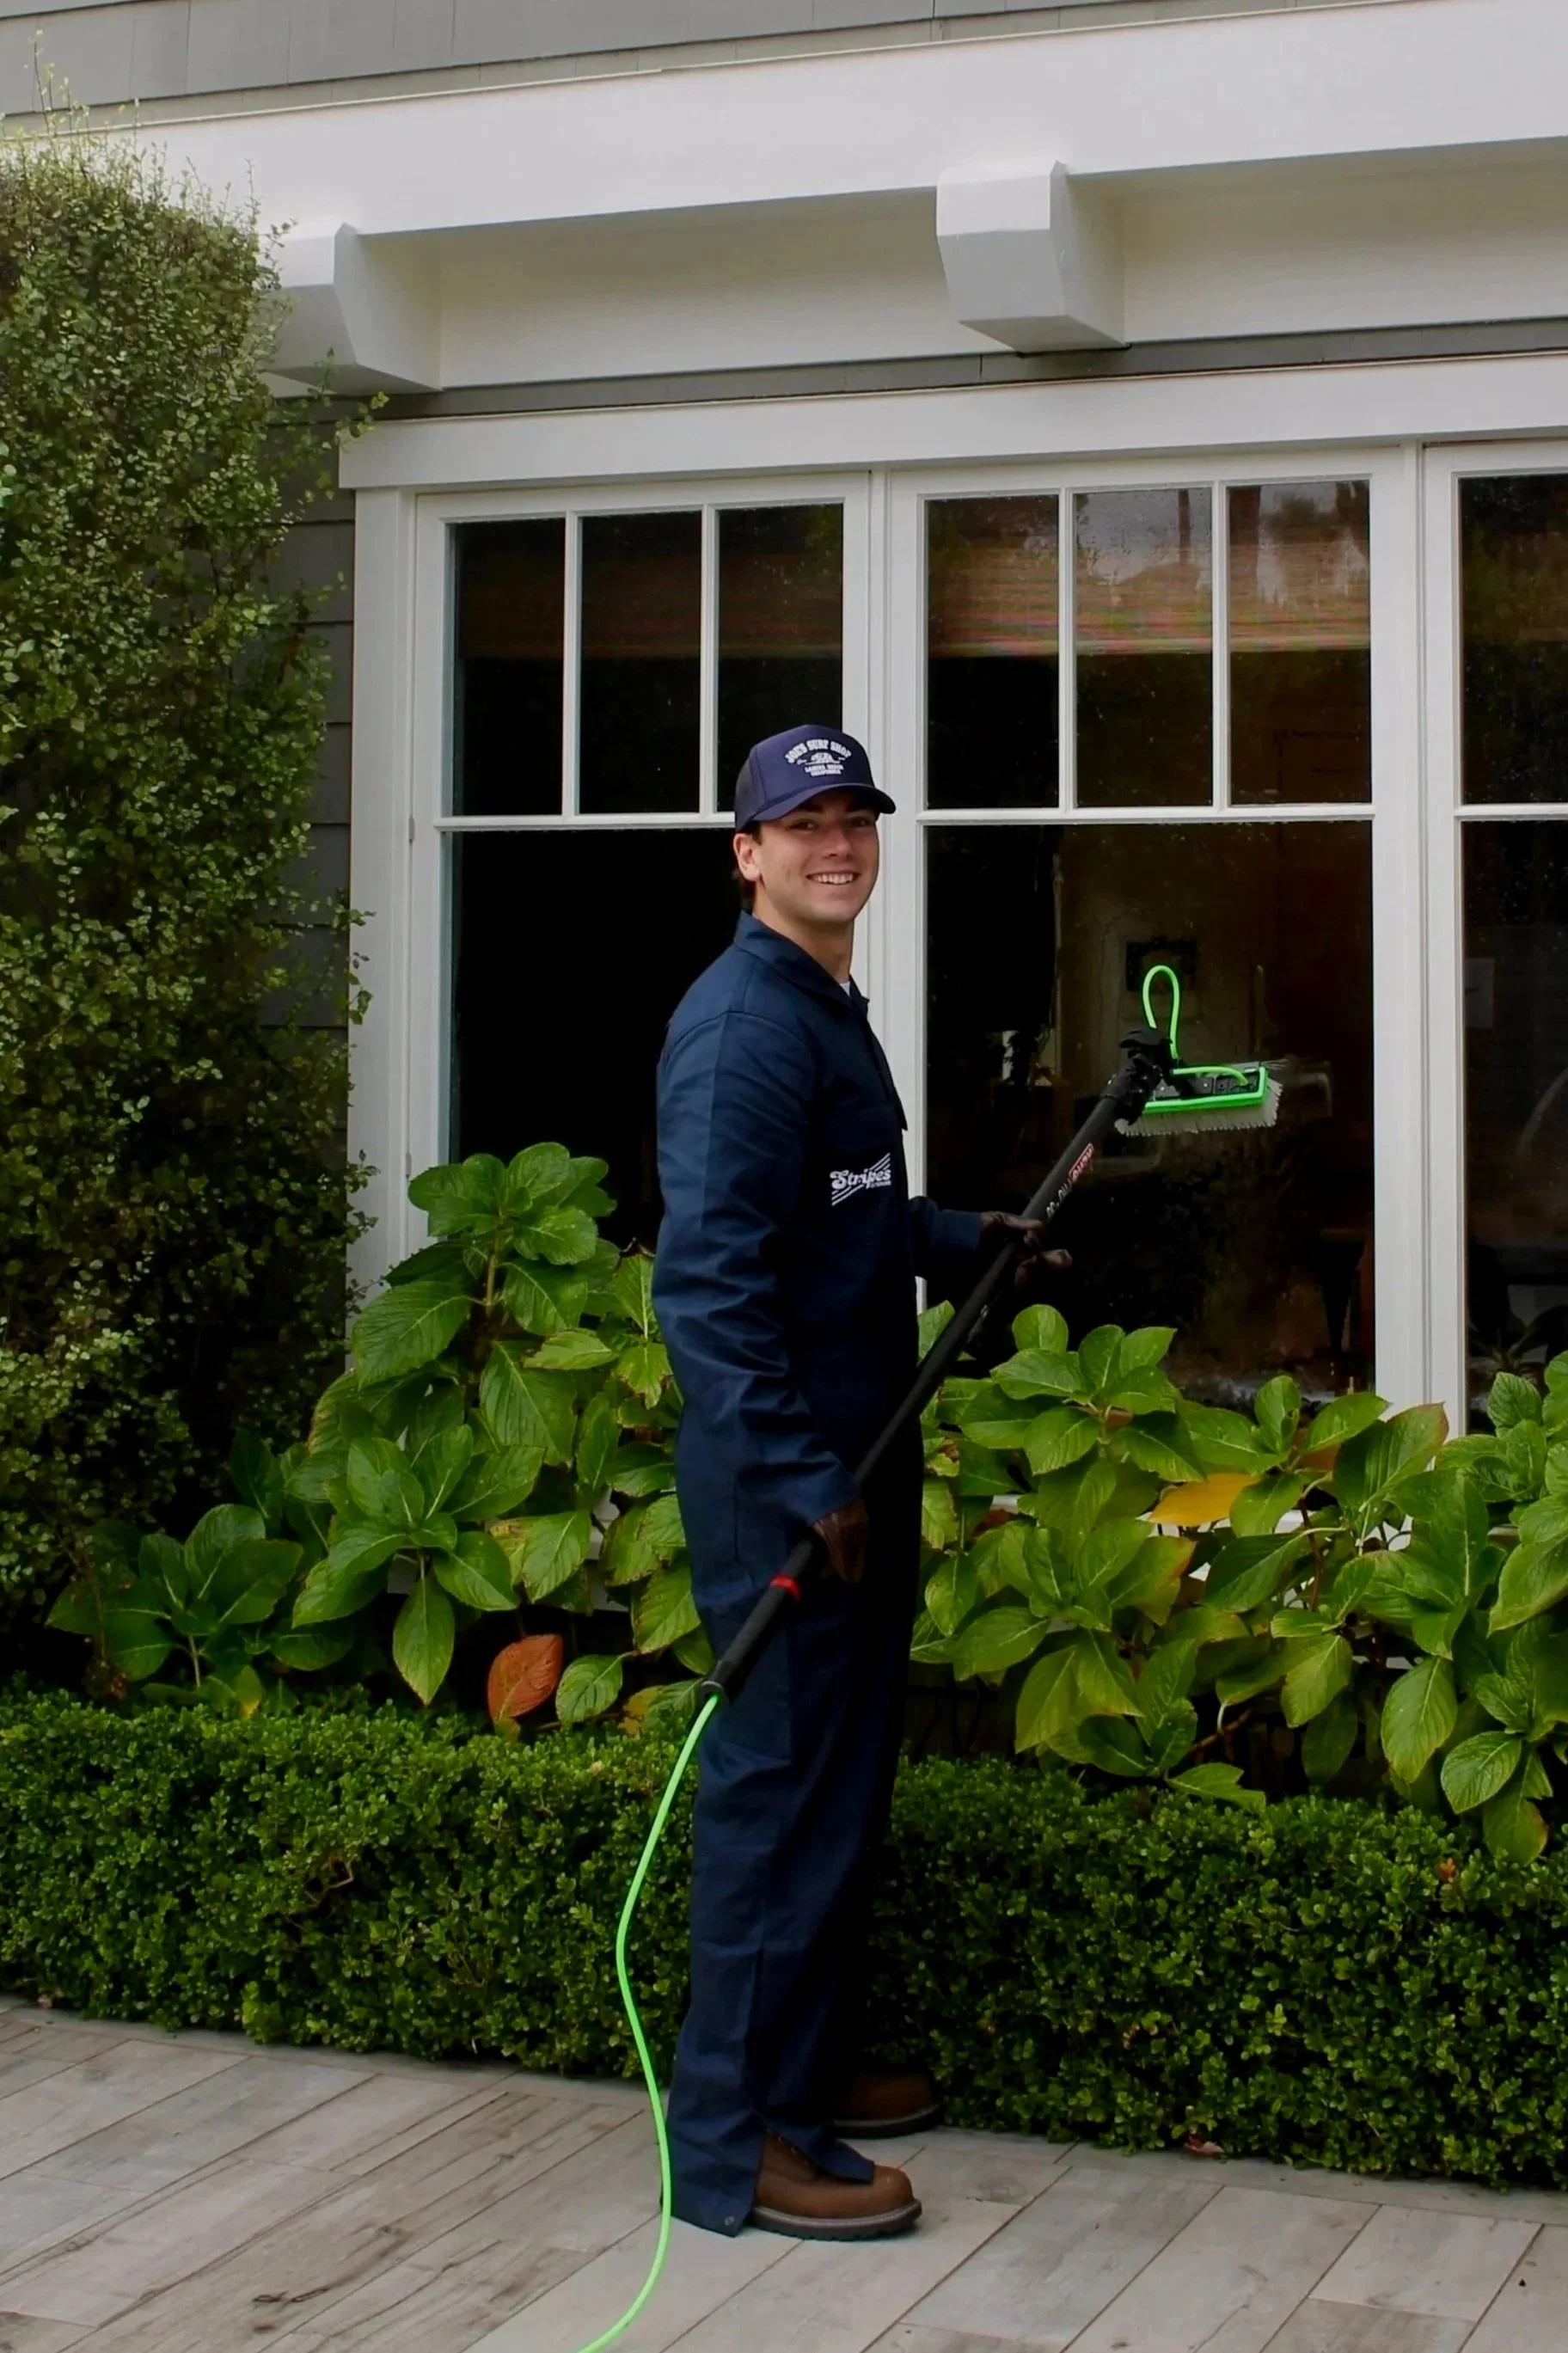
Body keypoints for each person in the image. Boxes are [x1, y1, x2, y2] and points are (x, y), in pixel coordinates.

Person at [652, 723, 1050, 2241]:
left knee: (836, 1799)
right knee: (775, 1810)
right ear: (745, 853)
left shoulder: (821, 1005)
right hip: (791, 1498)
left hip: (847, 1480)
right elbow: (708, 1291)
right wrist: (803, 1480)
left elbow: (844, 1219)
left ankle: (799, 2065)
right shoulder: (745, 1031)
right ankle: (739, 2139)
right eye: (801, 822)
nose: (836, 842)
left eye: (855, 818)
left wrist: (965, 1242)